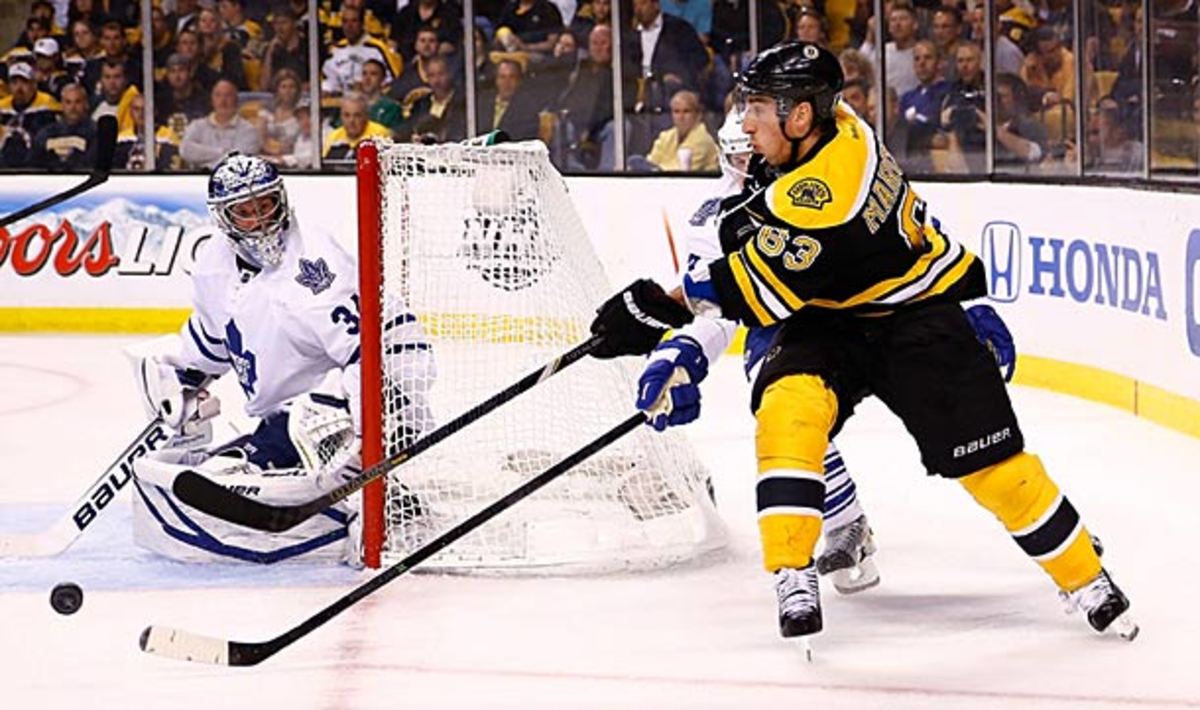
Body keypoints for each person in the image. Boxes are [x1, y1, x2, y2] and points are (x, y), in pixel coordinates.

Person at [589, 41, 1136, 643]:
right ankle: (796, 565)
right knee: (786, 415)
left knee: (996, 470)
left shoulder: (819, 195)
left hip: (912, 315)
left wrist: (653, 313)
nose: (746, 125)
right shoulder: (836, 126)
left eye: (760, 109)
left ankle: (1085, 574)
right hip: (825, 320)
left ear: (800, 117)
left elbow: (736, 286)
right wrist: (680, 344)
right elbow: (731, 282)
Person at [129, 152, 433, 564]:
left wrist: (367, 443)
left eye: (266, 204)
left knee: (301, 438)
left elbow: (367, 357)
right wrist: (185, 376)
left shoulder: (313, 272)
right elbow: (216, 339)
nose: (261, 219)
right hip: (299, 407)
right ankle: (325, 480)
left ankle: (390, 507)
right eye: (246, 211)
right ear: (224, 219)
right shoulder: (213, 264)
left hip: (387, 374)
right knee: (234, 470)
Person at [642, 110, 883, 594]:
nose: (752, 163)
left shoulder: (820, 181)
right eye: (740, 155)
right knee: (785, 411)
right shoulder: (713, 219)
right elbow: (715, 310)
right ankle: (846, 519)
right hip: (781, 322)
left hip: (862, 307)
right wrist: (682, 352)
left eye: (756, 151)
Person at [180, 78, 262, 169]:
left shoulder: (248, 130)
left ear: (236, 100)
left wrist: (204, 160)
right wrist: (221, 152)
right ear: (212, 100)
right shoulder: (197, 126)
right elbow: (185, 150)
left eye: (228, 95)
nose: (223, 101)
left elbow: (240, 161)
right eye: (218, 95)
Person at [643, 89, 718, 171]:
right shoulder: (666, 136)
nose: (681, 117)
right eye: (676, 111)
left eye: (686, 111)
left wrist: (656, 169)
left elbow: (683, 170)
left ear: (698, 115)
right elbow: (651, 162)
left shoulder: (703, 139)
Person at [30, 82, 96, 170]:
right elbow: (33, 162)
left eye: (78, 102)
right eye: (68, 102)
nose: (73, 107)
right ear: (61, 105)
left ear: (86, 104)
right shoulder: (47, 133)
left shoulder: (95, 132)